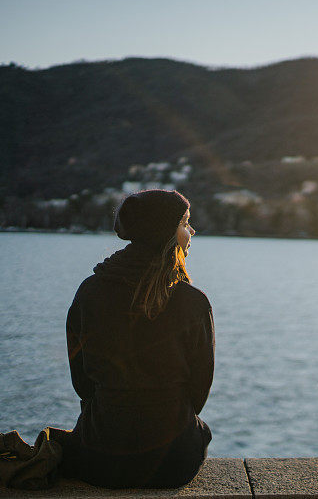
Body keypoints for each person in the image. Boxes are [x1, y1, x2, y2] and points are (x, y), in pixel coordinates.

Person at [57, 189, 215, 489]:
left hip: (99, 458)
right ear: (165, 232)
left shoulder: (90, 292)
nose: (191, 230)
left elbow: (82, 383)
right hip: (174, 461)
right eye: (184, 223)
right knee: (200, 431)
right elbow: (199, 392)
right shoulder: (193, 302)